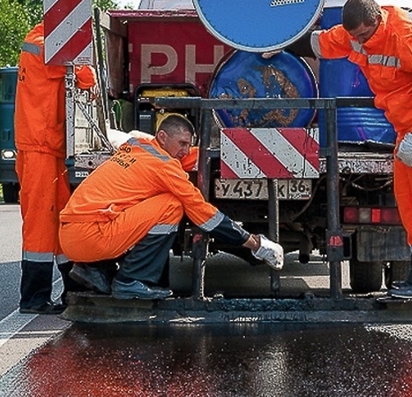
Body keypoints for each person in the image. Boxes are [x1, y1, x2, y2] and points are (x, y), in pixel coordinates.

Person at [279, 0, 412, 297]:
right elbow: (321, 44)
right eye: (354, 37)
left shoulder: (408, 35)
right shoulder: (354, 35)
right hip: (407, 126)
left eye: (364, 35)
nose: (360, 42)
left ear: (378, 19)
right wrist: (278, 44)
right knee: (408, 200)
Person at [59, 114, 284, 300]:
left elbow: (176, 157)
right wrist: (254, 243)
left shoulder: (137, 146)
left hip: (72, 236)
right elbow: (203, 214)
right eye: (182, 144)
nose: (186, 150)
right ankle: (130, 280)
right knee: (172, 204)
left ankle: (98, 270)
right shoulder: (165, 168)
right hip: (92, 236)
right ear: (163, 137)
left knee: (135, 204)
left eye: (190, 145)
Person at [14, 21, 98, 314]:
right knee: (40, 224)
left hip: (46, 146)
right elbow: (84, 76)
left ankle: (74, 288)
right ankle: (34, 298)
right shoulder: (43, 44)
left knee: (61, 217)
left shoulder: (40, 40)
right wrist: (90, 72)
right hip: (39, 145)